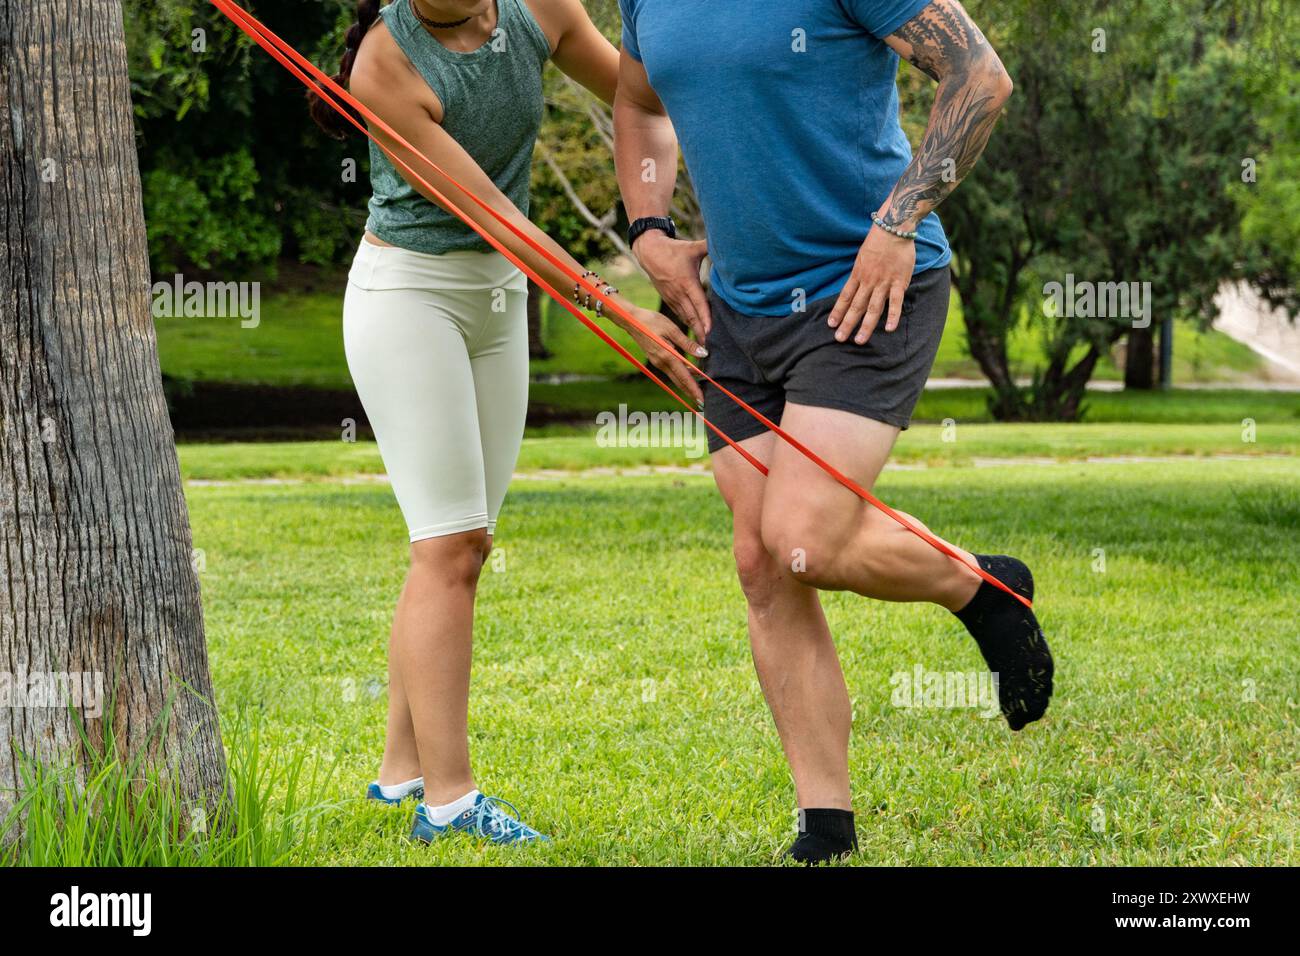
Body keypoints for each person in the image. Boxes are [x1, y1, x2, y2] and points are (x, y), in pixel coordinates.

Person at [613, 0, 1054, 863]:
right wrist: (650, 232)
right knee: (760, 559)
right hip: (737, 307)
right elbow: (637, 103)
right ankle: (826, 827)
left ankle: (980, 591)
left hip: (866, 289)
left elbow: (981, 76)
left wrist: (898, 224)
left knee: (803, 536)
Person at [311, 0, 703, 846]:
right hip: (410, 296)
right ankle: (449, 803)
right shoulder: (385, 60)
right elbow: (492, 211)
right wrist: (624, 315)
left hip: (500, 298)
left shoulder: (538, 8)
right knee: (448, 545)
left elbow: (643, 93)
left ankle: (397, 775)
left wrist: (665, 214)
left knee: (460, 545)